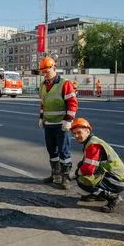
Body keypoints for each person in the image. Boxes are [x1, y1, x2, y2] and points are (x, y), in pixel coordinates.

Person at [70, 118, 124, 213]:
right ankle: (98, 195)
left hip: (117, 180)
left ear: (87, 131)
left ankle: (114, 198)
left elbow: (88, 170)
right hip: (113, 176)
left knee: (83, 180)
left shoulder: (93, 145)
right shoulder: (91, 141)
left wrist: (74, 174)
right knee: (81, 166)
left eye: (79, 132)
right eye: (74, 133)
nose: (76, 136)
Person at [38, 57, 78, 190]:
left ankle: (65, 178)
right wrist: (41, 117)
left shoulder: (65, 84)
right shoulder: (43, 85)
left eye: (47, 71)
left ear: (54, 68)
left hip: (62, 124)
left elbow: (72, 103)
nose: (45, 74)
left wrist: (68, 120)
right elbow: (43, 103)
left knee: (64, 152)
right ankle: (55, 175)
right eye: (43, 72)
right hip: (48, 124)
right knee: (52, 150)